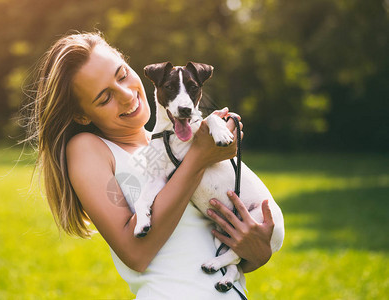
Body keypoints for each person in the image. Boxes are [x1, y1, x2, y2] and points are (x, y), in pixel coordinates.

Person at [25, 32, 275, 299]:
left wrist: (257, 254)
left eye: (121, 75)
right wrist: (199, 158)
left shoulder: (173, 142)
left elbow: (205, 241)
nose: (125, 94)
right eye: (104, 98)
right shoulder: (88, 149)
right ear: (82, 115)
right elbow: (136, 254)